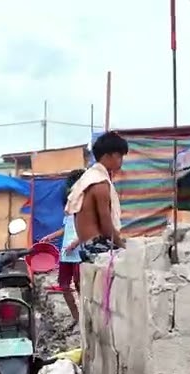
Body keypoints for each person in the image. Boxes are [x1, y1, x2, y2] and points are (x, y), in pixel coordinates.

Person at [68, 131, 128, 254]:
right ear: (107, 156)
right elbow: (106, 228)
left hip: (87, 246)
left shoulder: (88, 178)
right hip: (97, 247)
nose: (121, 160)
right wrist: (123, 247)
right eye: (119, 156)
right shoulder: (100, 183)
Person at [56, 168, 88, 327]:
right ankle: (76, 316)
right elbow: (66, 228)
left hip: (78, 251)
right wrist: (51, 236)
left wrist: (75, 243)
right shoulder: (69, 212)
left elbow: (89, 229)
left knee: (79, 283)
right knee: (63, 285)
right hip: (66, 251)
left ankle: (85, 315)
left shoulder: (85, 210)